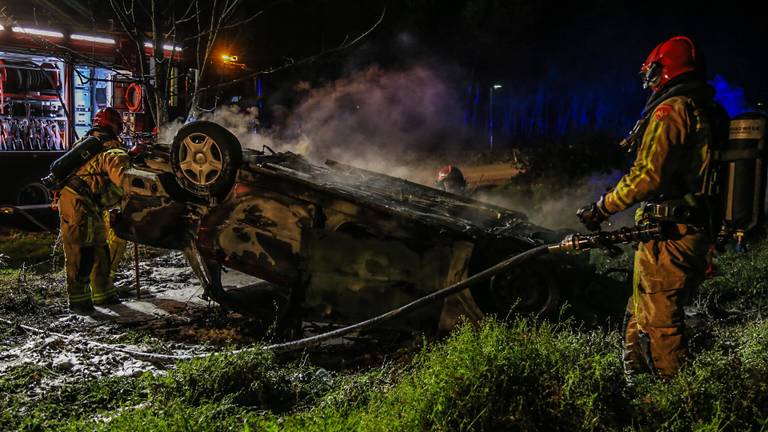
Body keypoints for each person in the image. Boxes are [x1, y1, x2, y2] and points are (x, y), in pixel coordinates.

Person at [576, 36, 728, 379]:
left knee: (660, 322)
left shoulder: (671, 110)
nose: (649, 80)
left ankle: (674, 403)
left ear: (667, 70)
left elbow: (648, 176)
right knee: (640, 312)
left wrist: (602, 208)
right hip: (683, 229)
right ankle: (639, 389)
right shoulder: (703, 107)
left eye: (653, 72)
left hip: (671, 234)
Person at [58, 107, 129, 313]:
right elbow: (124, 180)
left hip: (87, 202)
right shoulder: (113, 152)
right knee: (80, 250)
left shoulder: (86, 144)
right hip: (78, 202)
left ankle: (102, 293)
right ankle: (79, 300)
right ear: (116, 126)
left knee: (99, 247)